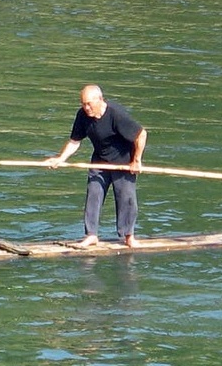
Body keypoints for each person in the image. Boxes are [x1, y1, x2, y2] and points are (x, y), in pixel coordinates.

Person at [45, 84, 148, 248]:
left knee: (126, 197)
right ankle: (91, 235)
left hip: (123, 160)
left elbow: (141, 134)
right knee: (94, 193)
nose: (86, 108)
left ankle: (129, 236)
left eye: (89, 104)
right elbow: (75, 141)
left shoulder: (115, 114)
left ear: (100, 100)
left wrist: (136, 160)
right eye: (83, 104)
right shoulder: (82, 116)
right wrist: (60, 159)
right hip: (100, 159)